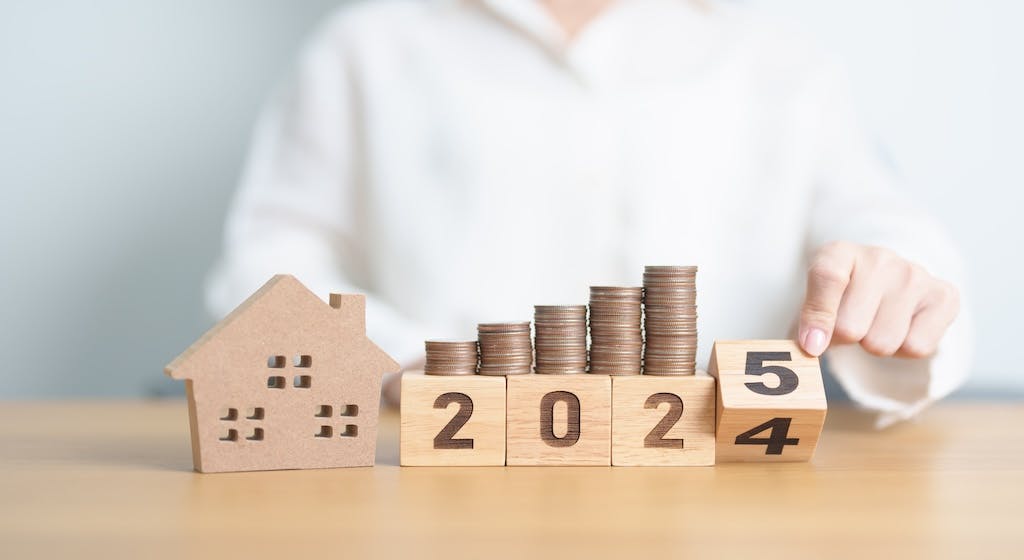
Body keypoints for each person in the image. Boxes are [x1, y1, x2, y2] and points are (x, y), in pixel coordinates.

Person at [205, 0, 970, 426]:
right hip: (444, 468)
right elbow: (270, 257)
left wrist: (893, 280)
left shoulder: (778, 55)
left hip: (729, 479)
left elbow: (883, 223)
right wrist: (405, 362)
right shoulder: (365, 44)